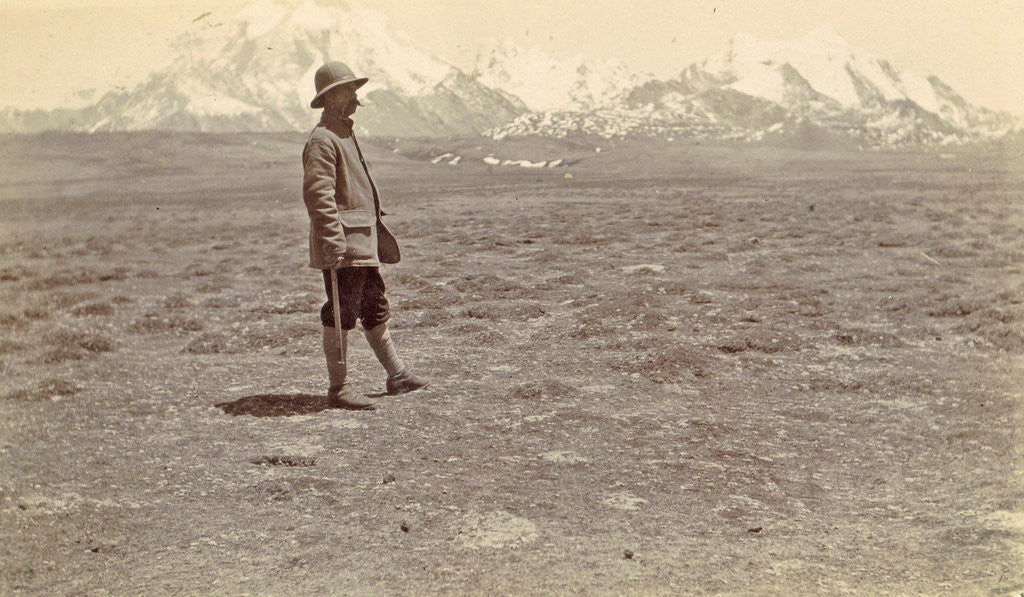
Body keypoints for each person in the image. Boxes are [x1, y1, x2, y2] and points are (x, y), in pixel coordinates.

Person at [301, 61, 428, 410]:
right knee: (341, 312)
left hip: (361, 244)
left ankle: (397, 376)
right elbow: (319, 196)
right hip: (344, 246)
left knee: (375, 306)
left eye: (355, 90)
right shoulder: (323, 140)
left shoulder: (343, 134)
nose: (355, 97)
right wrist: (333, 243)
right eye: (348, 90)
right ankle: (339, 389)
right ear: (329, 97)